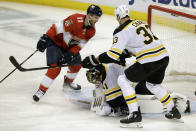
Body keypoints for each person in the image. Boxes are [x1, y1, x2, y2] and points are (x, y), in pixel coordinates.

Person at [82, 5, 181, 127]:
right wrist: (124, 54)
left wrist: (94, 60)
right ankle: (172, 110)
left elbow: (112, 55)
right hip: (163, 57)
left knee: (123, 80)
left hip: (148, 60)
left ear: (118, 16)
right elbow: (137, 45)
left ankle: (134, 114)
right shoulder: (140, 22)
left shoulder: (120, 30)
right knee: (153, 85)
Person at [33, 4, 102, 102]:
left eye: (98, 18)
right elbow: (56, 28)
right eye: (95, 17)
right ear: (89, 15)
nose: (97, 20)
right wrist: (45, 38)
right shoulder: (74, 19)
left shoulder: (91, 31)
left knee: (77, 65)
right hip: (55, 43)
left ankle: (67, 83)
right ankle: (41, 91)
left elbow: (81, 44)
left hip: (68, 48)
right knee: (55, 68)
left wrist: (71, 53)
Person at [86, 62, 190, 117]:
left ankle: (176, 100)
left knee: (150, 92)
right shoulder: (105, 65)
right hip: (142, 68)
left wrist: (111, 105)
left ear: (99, 75)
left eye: (97, 80)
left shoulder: (109, 79)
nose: (97, 82)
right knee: (152, 87)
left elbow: (115, 102)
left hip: (141, 77)